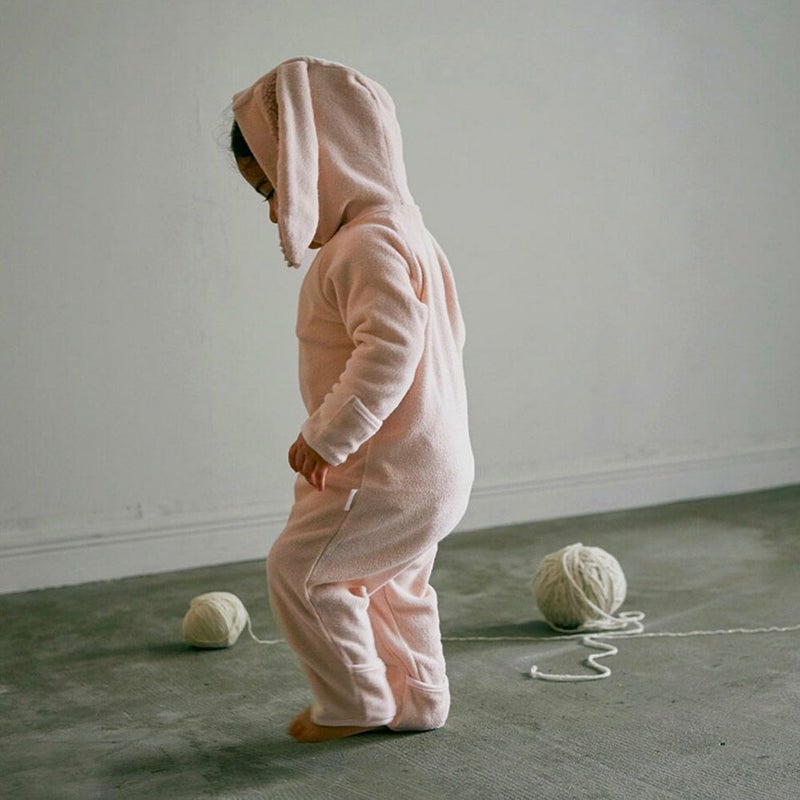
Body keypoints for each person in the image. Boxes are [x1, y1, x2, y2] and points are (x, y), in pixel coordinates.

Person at [230, 56, 474, 743]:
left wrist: (330, 434)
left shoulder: (363, 247)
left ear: (326, 160)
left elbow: (390, 350)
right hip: (435, 465)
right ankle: (420, 698)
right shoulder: (409, 234)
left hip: (382, 468)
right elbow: (447, 338)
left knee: (303, 573)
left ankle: (355, 700)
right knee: (393, 586)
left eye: (276, 188)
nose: (276, 210)